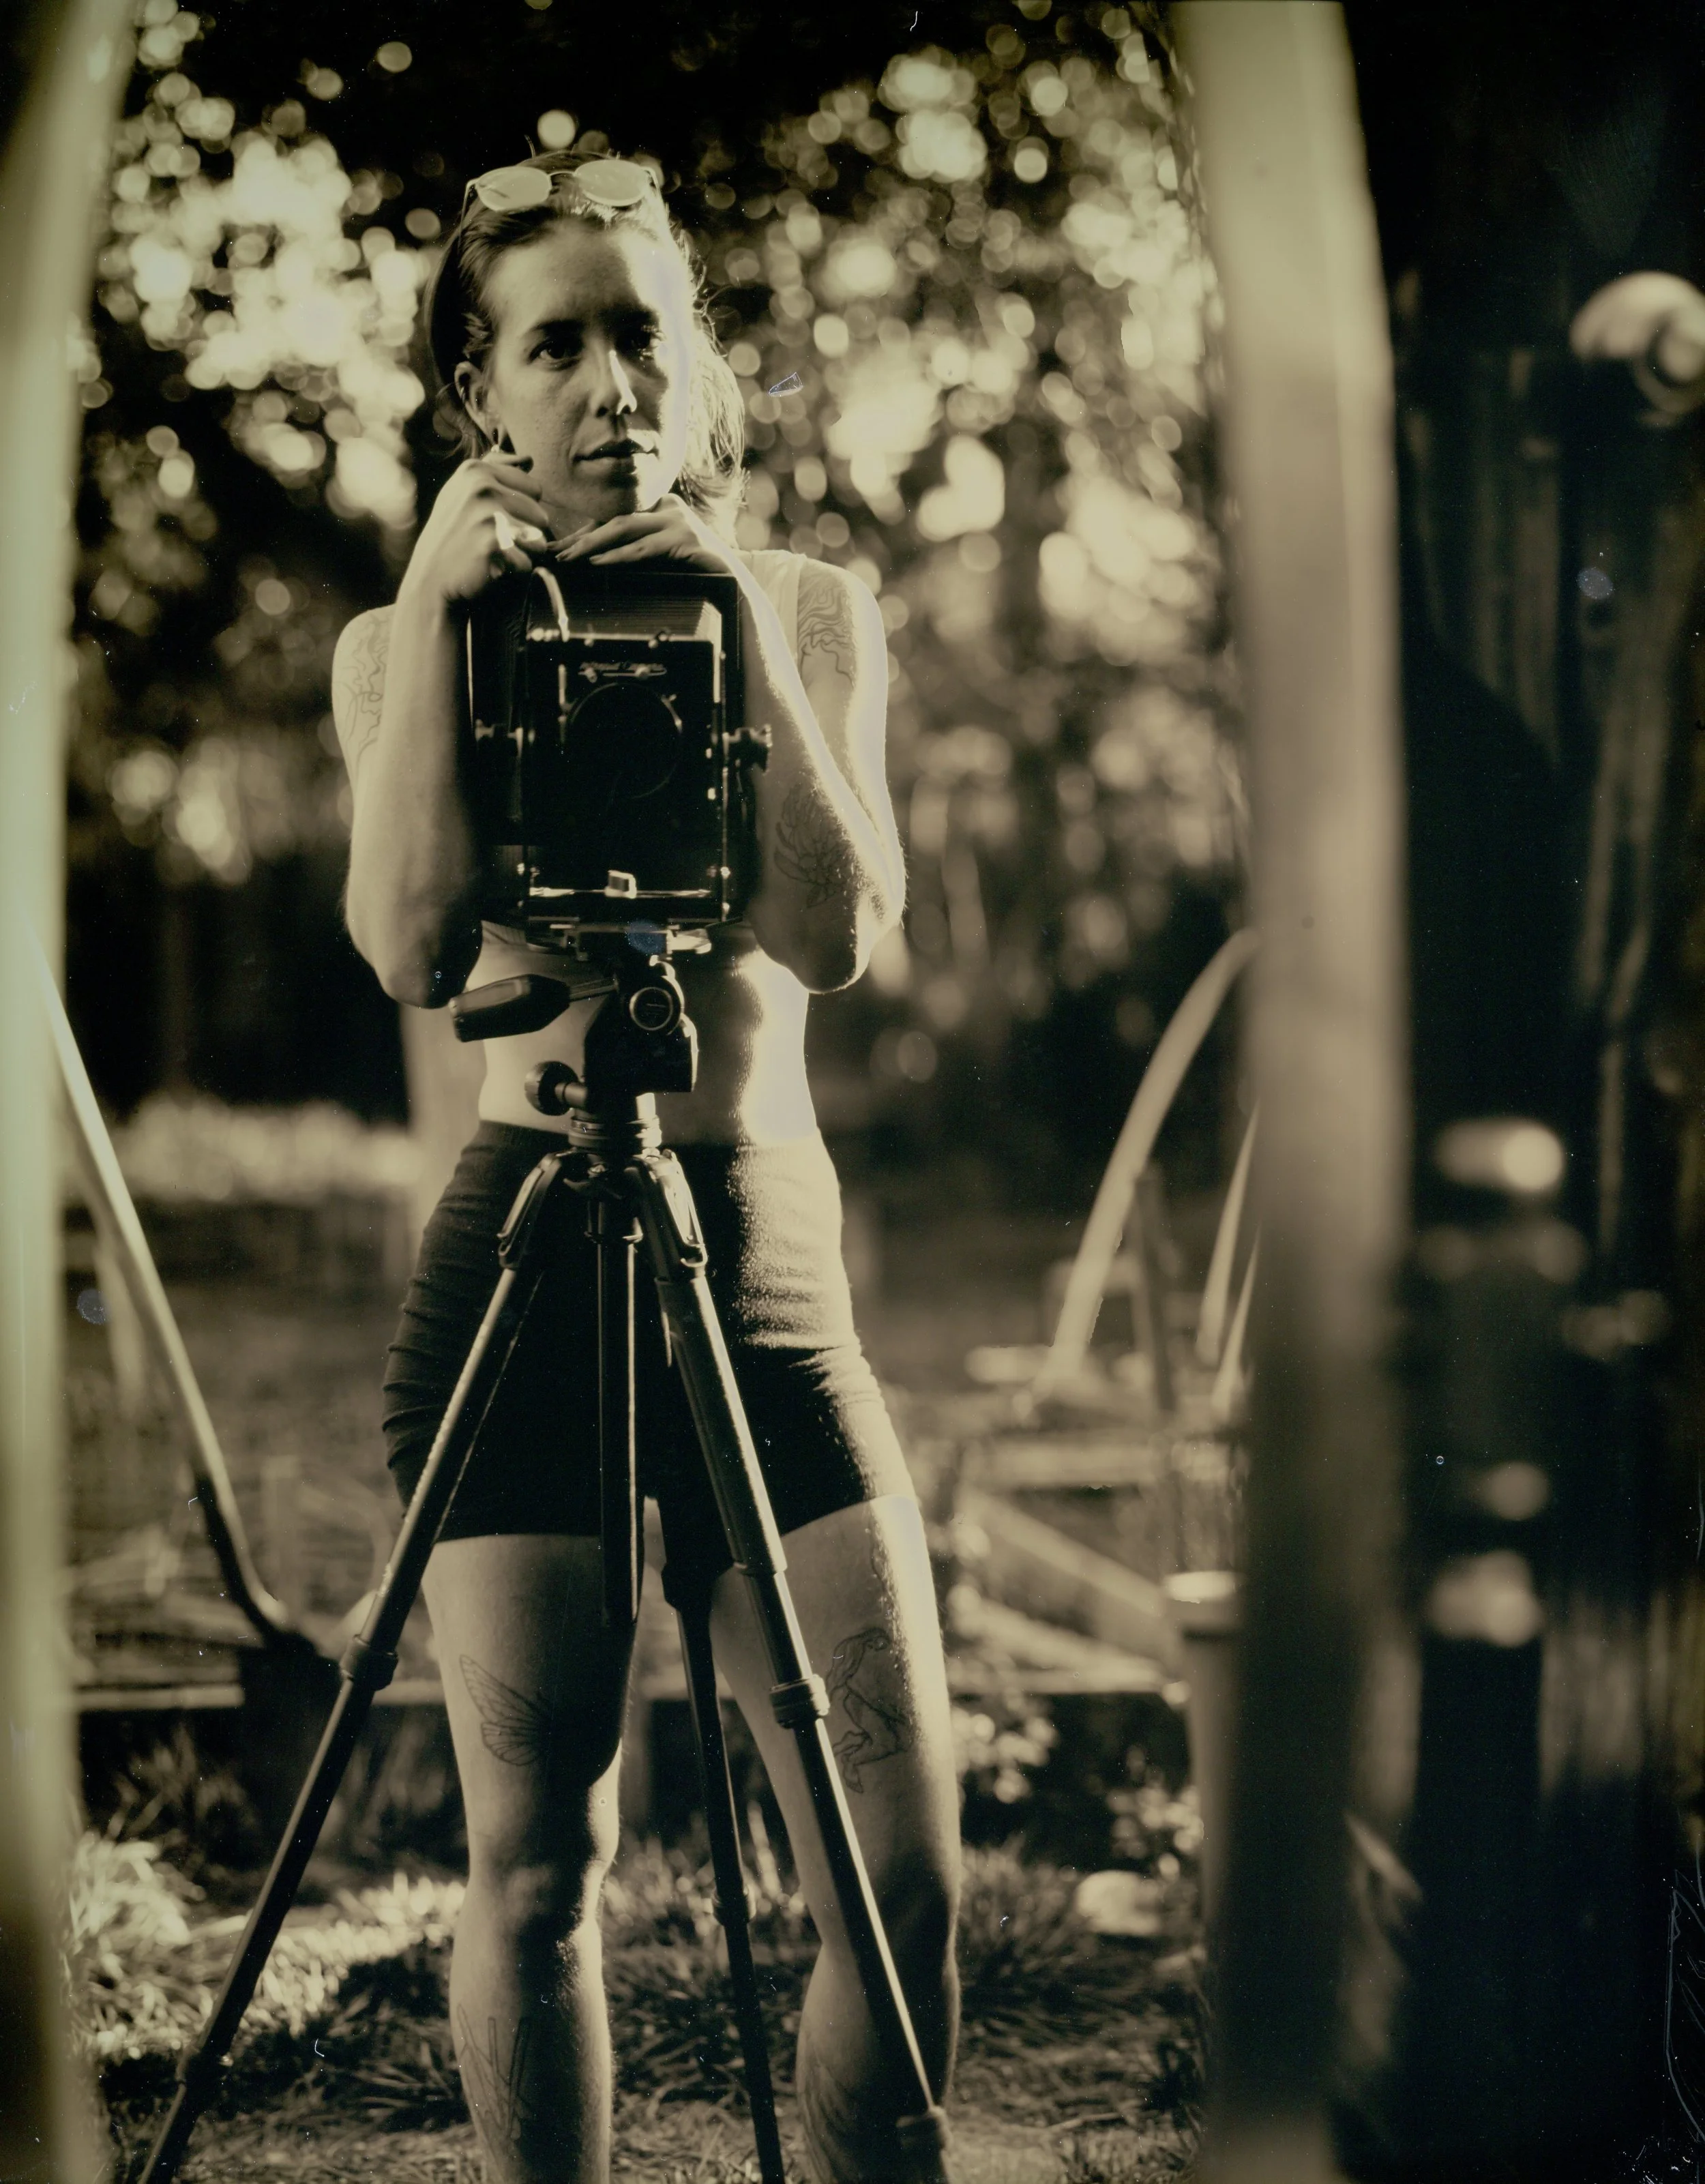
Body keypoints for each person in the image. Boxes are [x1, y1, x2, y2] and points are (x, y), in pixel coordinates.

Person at [329, 146, 960, 2184]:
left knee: (897, 1869)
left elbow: (836, 932)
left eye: (643, 339)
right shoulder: (395, 645)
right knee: (533, 1869)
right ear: (477, 399)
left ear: (699, 372)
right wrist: (439, 601)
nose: (609, 384)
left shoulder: (809, 609)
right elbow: (418, 950)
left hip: (758, 1244)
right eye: (555, 346)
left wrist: (724, 628)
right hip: (531, 1235)